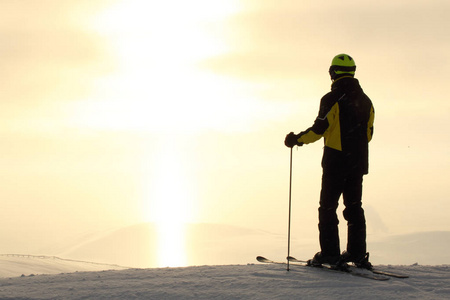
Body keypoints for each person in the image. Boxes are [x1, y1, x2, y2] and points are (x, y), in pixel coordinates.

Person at [284, 54, 375, 269]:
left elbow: (318, 130)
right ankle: (357, 253)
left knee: (327, 208)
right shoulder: (366, 101)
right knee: (354, 207)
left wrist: (297, 140)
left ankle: (330, 254)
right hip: (358, 162)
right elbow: (368, 134)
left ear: (333, 72)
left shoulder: (331, 99)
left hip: (336, 162)